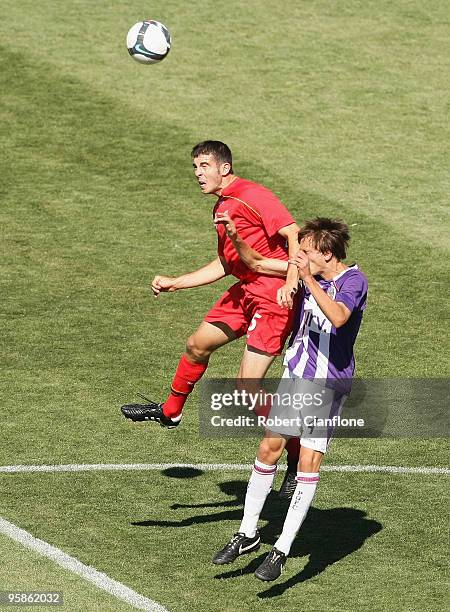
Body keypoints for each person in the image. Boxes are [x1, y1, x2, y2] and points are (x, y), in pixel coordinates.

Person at [120, 141, 301, 471]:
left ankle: (296, 450)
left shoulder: (253, 195)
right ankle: (171, 411)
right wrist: (178, 281)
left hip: (274, 297)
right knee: (197, 344)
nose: (198, 173)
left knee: (247, 387)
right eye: (194, 167)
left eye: (204, 166)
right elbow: (226, 263)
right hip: (246, 289)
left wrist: (291, 280)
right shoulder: (221, 207)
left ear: (224, 168)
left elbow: (293, 233)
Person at [212, 214, 368, 581]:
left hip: (327, 384)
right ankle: (247, 533)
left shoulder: (353, 281)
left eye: (307, 252)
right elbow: (256, 262)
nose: (298, 257)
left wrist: (305, 280)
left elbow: (340, 317)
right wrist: (235, 235)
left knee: (308, 463)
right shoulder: (305, 270)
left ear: (327, 254)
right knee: (269, 448)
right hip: (296, 376)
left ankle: (281, 549)